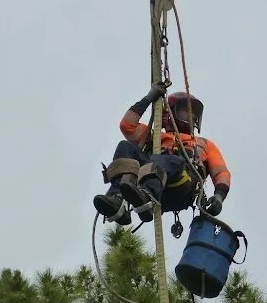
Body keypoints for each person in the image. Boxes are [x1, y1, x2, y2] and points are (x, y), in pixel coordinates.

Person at [93, 85, 231, 225]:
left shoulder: (203, 144)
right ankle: (118, 200)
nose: (191, 116)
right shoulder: (156, 136)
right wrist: (148, 98)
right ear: (170, 113)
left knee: (166, 160)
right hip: (155, 180)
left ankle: (147, 197)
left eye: (193, 113)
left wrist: (219, 196)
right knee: (125, 147)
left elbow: (221, 172)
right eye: (185, 111)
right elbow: (127, 126)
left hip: (183, 185)